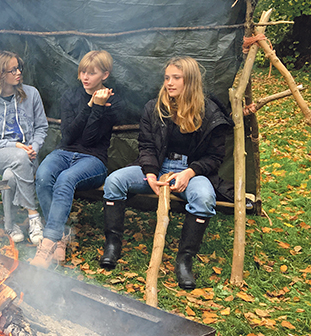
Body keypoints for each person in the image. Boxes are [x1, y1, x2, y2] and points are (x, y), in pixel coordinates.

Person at [100, 57, 232, 290]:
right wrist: (150, 173)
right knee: (114, 181)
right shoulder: (155, 107)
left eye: (176, 78)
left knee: (204, 198)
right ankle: (112, 244)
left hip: (191, 172)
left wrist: (189, 173)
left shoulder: (210, 113)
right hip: (157, 167)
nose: (169, 83)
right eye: (167, 78)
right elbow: (147, 146)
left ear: (189, 81)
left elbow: (214, 157)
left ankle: (184, 260)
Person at [31, 50, 118, 267]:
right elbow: (68, 135)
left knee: (66, 179)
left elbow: (89, 140)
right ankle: (61, 236)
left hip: (93, 160)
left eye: (92, 73)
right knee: (42, 175)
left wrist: (98, 108)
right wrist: (90, 105)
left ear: (105, 75)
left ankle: (48, 243)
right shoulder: (70, 96)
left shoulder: (113, 102)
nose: (85, 78)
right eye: (82, 72)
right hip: (64, 151)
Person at [0, 51, 48, 244]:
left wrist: (34, 147)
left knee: (10, 176)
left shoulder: (31, 94)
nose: (18, 73)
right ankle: (33, 215)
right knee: (19, 157)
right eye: (13, 70)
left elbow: (42, 127)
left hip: (29, 155)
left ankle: (10, 225)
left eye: (19, 68)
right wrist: (17, 145)